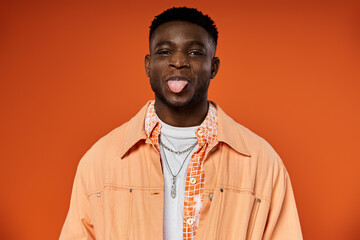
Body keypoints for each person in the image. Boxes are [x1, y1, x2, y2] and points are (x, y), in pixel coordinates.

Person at [59, 7, 303, 240]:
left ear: (213, 67)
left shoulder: (262, 163)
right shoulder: (101, 160)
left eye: (195, 52)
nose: (178, 61)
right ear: (148, 64)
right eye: (164, 52)